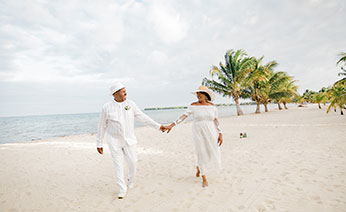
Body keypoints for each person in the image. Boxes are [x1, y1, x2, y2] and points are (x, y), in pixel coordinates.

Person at [96, 82, 166, 199]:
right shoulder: (106, 107)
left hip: (129, 140)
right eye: (122, 90)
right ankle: (122, 189)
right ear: (115, 94)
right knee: (118, 165)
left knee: (133, 162)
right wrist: (99, 143)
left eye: (125, 90)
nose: (125, 92)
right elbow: (101, 126)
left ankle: (130, 180)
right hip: (114, 140)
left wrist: (158, 126)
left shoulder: (131, 104)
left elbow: (143, 117)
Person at [164, 86, 223, 187]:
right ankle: (204, 177)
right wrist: (172, 125)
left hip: (211, 131)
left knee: (211, 151)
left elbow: (216, 120)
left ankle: (199, 167)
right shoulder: (193, 105)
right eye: (198, 93)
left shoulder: (212, 106)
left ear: (206, 95)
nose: (198, 95)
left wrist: (220, 133)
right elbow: (183, 116)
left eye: (201, 93)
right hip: (198, 131)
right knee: (201, 152)